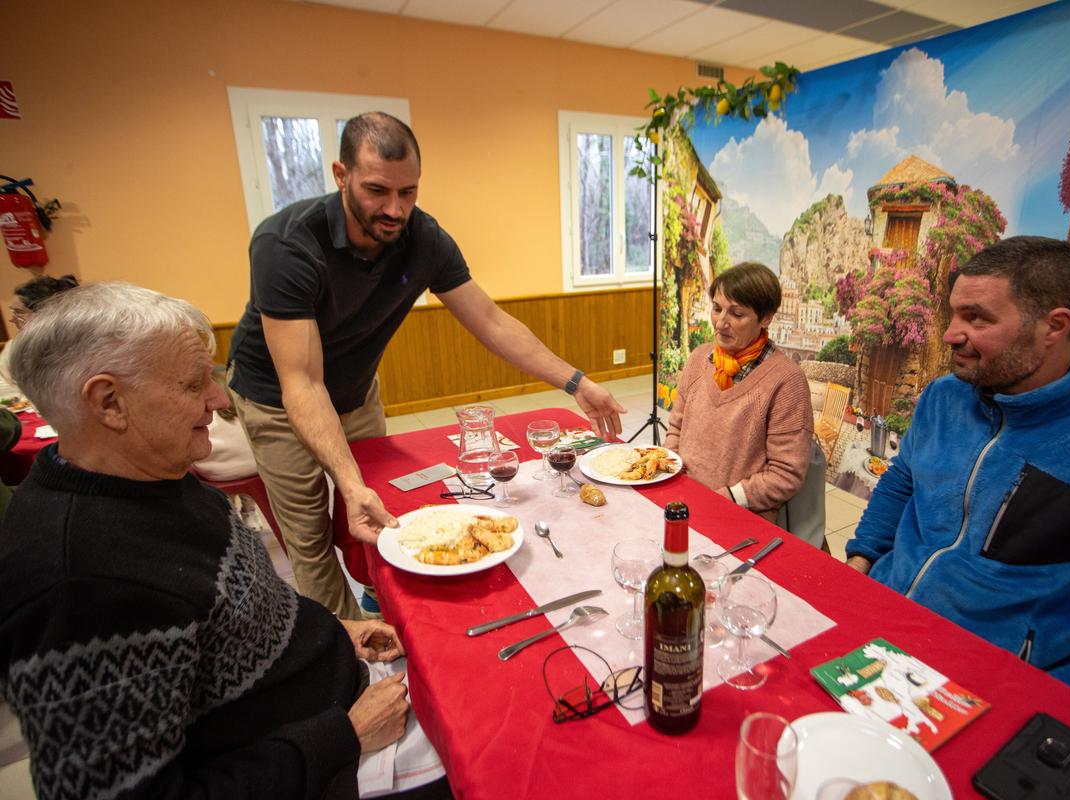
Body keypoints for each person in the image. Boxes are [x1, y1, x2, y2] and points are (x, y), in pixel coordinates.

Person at [0, 282, 439, 799]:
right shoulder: (78, 583)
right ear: (109, 402)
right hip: (329, 753)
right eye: (192, 384)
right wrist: (341, 737)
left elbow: (228, 617)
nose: (219, 398)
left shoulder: (149, 476)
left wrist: (335, 631)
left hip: (338, 689)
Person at [226, 112, 625, 619]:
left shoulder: (425, 238)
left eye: (408, 192)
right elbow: (302, 383)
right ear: (340, 175)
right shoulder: (287, 244)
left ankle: (385, 603)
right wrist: (347, 484)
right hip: (278, 398)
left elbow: (491, 321)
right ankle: (349, 655)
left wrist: (576, 381)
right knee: (310, 537)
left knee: (381, 506)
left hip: (355, 389)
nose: (394, 209)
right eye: (376, 191)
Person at [845, 236, 1070, 723]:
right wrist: (860, 562)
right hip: (875, 626)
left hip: (985, 690)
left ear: (1054, 326)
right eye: (952, 314)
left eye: (977, 318)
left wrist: (1028, 708)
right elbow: (903, 479)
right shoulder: (944, 397)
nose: (950, 334)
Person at [664, 262, 812, 525]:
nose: (721, 323)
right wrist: (671, 469)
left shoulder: (787, 381)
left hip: (739, 518)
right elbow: (676, 428)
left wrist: (726, 498)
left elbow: (786, 475)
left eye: (737, 314)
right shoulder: (700, 358)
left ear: (765, 318)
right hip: (682, 501)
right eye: (717, 309)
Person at [0, 273, 79, 398]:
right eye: (12, 312)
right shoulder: (14, 347)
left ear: (45, 313)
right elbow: (3, 385)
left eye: (18, 312)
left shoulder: (78, 344)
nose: (12, 319)